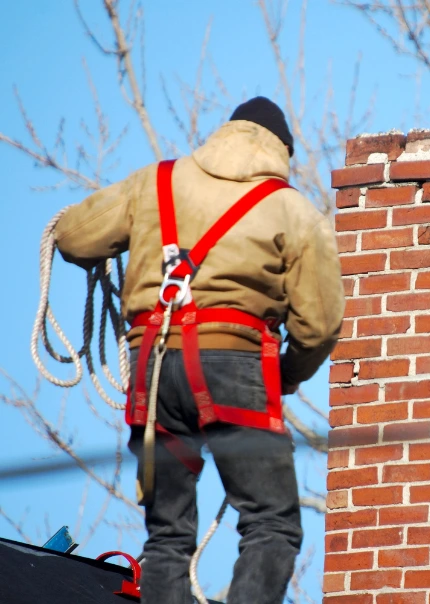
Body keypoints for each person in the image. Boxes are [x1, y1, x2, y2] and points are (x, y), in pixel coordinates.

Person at [53, 97, 345, 604]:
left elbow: (74, 238)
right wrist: (289, 373)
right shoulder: (291, 208)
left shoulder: (155, 182)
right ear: (282, 152)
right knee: (271, 523)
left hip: (154, 367)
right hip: (235, 367)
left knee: (167, 535)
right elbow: (319, 326)